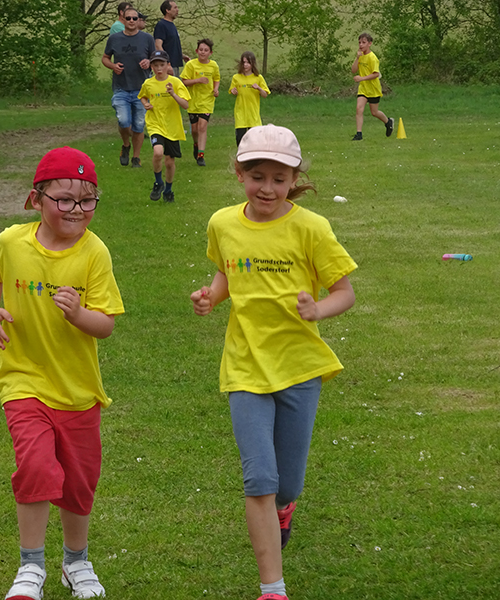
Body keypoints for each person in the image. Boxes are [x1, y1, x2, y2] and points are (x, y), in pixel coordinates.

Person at [189, 125, 357, 600]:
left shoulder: (311, 228)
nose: (267, 188)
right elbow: (226, 272)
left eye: (279, 178)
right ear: (239, 173)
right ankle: (273, 588)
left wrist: (317, 309)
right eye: (256, 175)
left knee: (287, 483)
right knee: (259, 478)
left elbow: (344, 291)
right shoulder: (223, 223)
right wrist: (211, 297)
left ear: (294, 179)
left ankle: (286, 507)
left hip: (300, 369)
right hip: (244, 367)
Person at [0, 146, 125, 600]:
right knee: (37, 466)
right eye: (64, 199)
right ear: (35, 200)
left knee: (79, 484)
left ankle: (76, 562)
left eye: (87, 200)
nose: (77, 210)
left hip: (78, 390)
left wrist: (80, 314)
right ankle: (31, 567)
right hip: (22, 378)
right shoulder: (11, 242)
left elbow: (106, 324)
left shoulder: (94, 253)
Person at [103, 7, 155, 168]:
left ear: (138, 20)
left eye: (135, 18)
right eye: (129, 18)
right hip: (121, 88)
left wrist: (149, 62)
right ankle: (126, 145)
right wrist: (112, 65)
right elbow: (105, 58)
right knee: (124, 121)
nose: (132, 21)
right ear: (123, 20)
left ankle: (136, 158)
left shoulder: (147, 38)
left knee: (139, 126)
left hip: (142, 89)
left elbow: (155, 58)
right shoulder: (115, 39)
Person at [138, 50, 190, 203]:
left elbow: (186, 105)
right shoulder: (148, 83)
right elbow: (143, 96)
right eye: (155, 65)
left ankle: (168, 190)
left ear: (168, 65)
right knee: (158, 152)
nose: (159, 68)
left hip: (172, 127)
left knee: (169, 162)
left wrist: (173, 94)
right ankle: (158, 182)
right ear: (151, 67)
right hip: (155, 124)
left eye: (162, 65)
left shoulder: (176, 82)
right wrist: (145, 104)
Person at [180, 38, 220, 167]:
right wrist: (197, 80)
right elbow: (184, 82)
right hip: (193, 101)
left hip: (207, 100)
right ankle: (196, 145)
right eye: (201, 50)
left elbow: (216, 79)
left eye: (206, 50)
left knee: (203, 126)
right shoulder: (191, 65)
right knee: (195, 129)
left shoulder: (213, 65)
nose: (203, 52)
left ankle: (201, 155)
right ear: (197, 51)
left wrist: (215, 89)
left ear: (210, 53)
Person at [350, 32, 393, 140]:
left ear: (370, 43)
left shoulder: (373, 58)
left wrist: (362, 78)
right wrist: (357, 58)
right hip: (363, 88)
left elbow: (376, 74)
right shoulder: (360, 56)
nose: (361, 45)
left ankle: (388, 122)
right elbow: (353, 70)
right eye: (359, 42)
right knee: (359, 109)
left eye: (363, 42)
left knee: (374, 112)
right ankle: (359, 134)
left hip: (373, 89)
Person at [229, 51, 270, 147]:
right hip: (240, 114)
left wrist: (259, 88)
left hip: (253, 115)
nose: (245, 65)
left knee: (255, 141)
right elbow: (232, 91)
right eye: (244, 62)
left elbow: (265, 95)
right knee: (240, 140)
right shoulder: (236, 77)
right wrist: (233, 91)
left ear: (252, 64)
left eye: (248, 62)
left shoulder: (258, 78)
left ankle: (254, 159)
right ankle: (241, 159)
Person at [154, 1, 189, 76]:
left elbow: (171, 45)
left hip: (175, 64)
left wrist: (182, 55)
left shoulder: (172, 25)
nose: (177, 10)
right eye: (175, 8)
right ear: (167, 10)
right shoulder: (161, 25)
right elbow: (158, 45)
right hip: (168, 66)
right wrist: (166, 63)